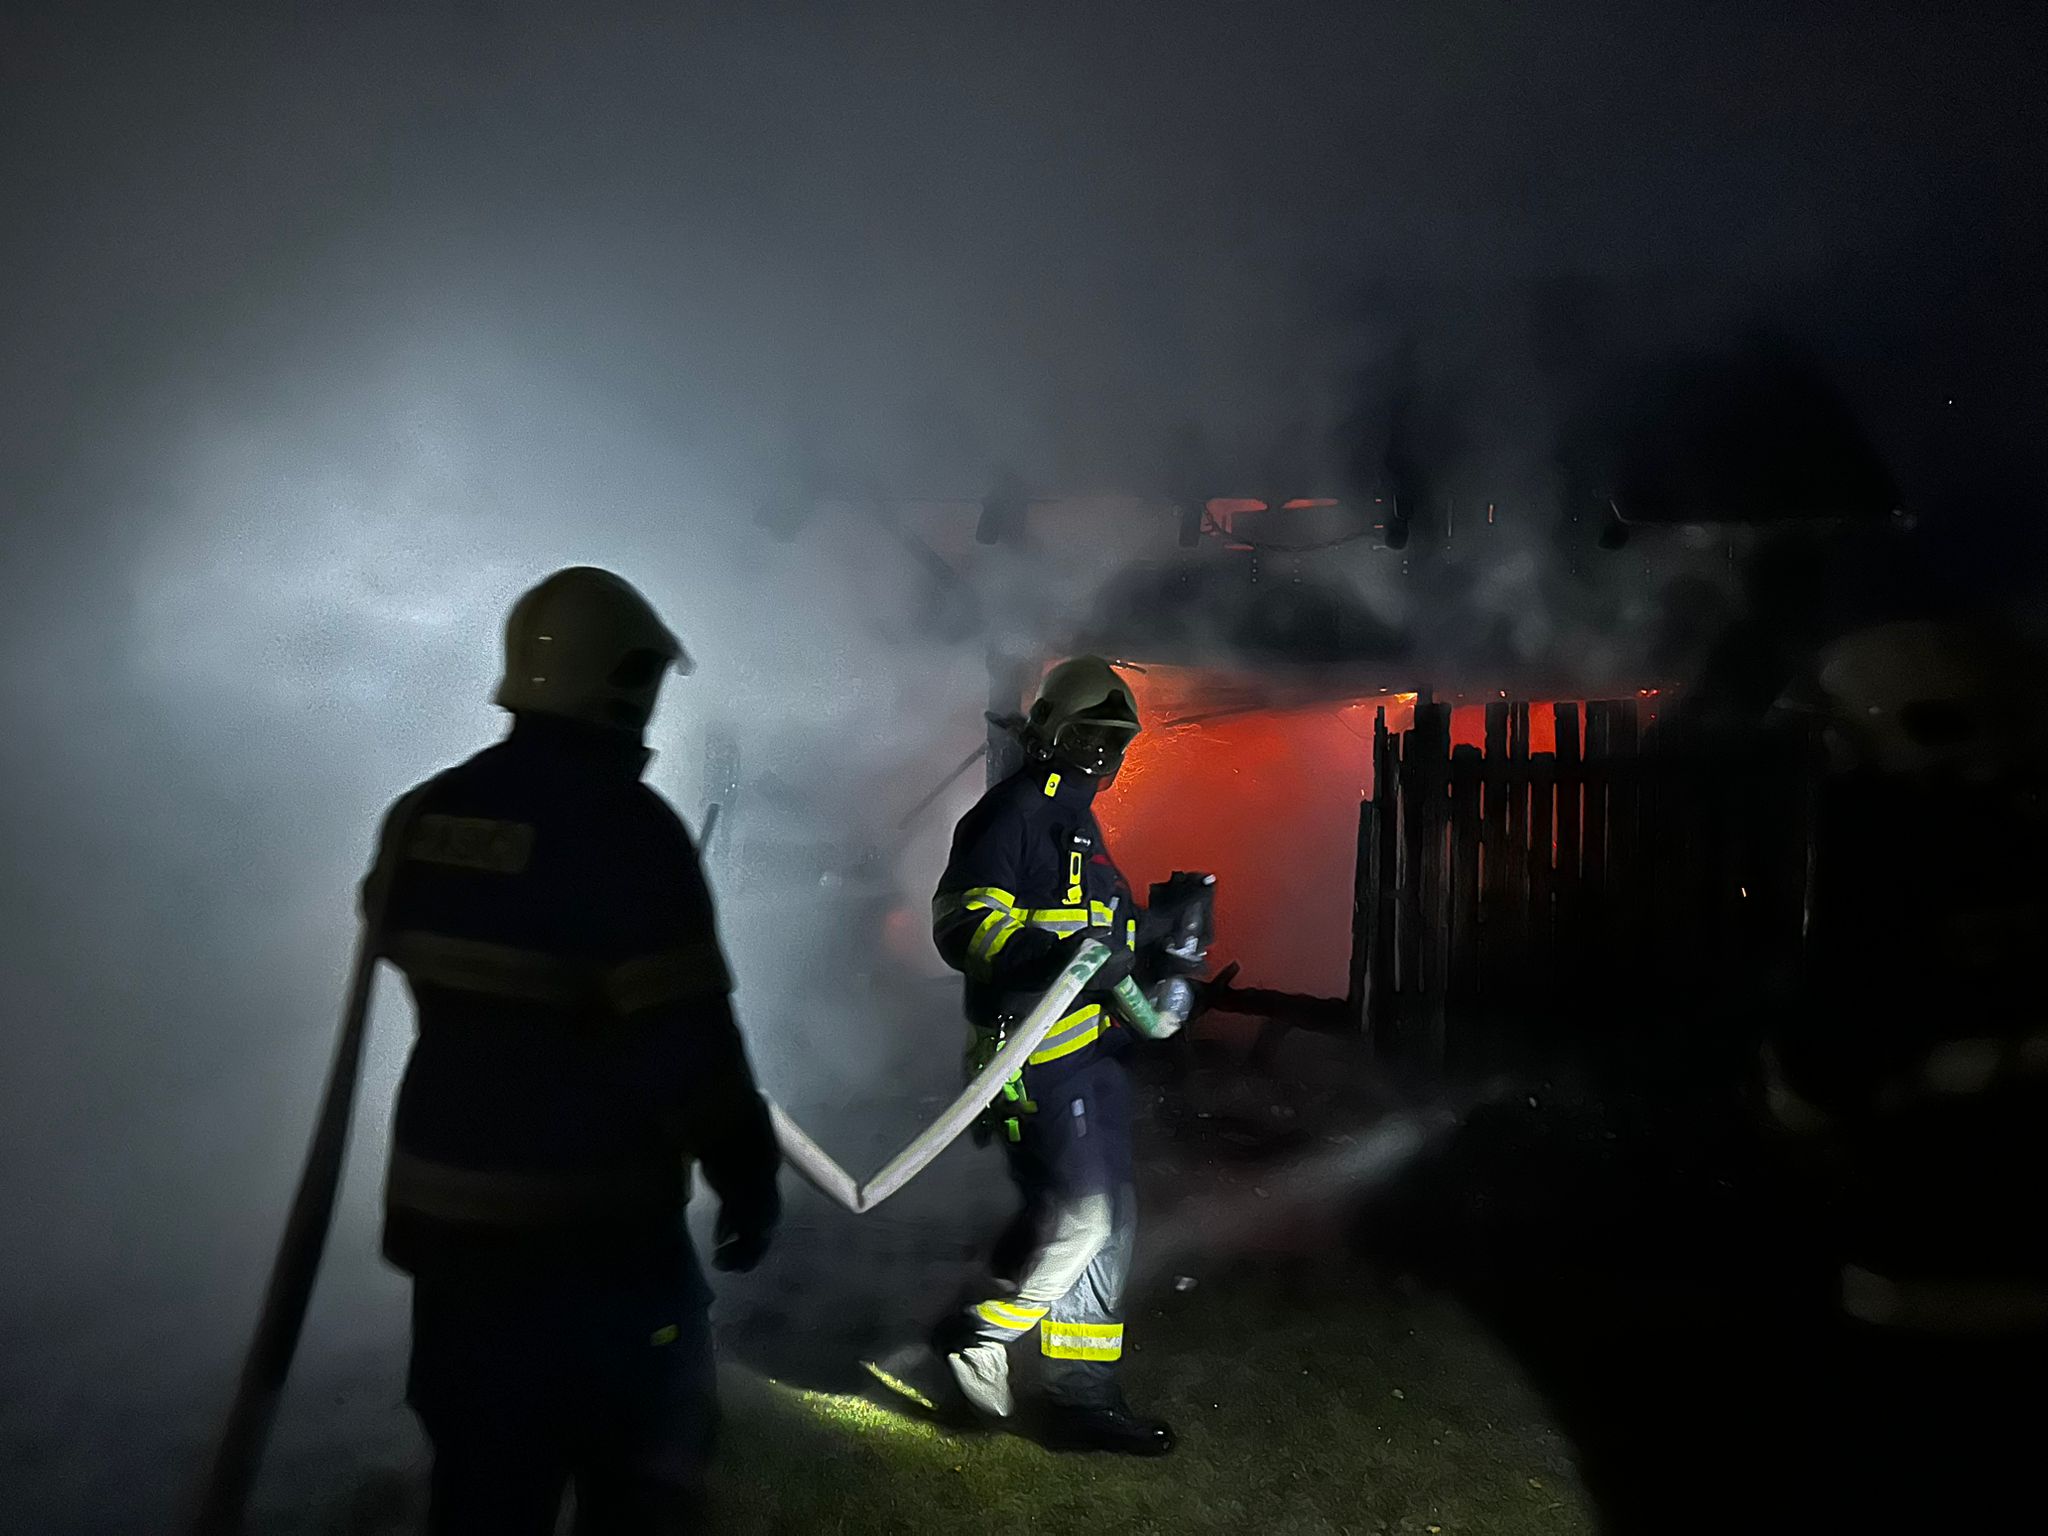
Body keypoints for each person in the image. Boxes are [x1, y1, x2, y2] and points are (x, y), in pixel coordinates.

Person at [362, 566, 780, 1534]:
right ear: (623, 680)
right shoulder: (625, 831)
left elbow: (393, 932)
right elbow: (689, 1043)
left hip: (450, 1233)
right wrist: (746, 1174)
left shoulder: (422, 816)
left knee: (481, 1489)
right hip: (598, 1236)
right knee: (645, 1478)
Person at [929, 655, 1190, 1455]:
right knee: (1084, 1219)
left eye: (1114, 741)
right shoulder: (1013, 812)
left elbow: (1099, 935)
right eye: (1088, 736)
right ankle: (982, 1331)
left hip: (1091, 1056)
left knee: (1106, 1223)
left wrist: (1163, 933)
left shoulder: (1076, 821)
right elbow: (965, 927)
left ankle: (1083, 1397)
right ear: (1049, 730)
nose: (1101, 754)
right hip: (1037, 1059)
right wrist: (1057, 955)